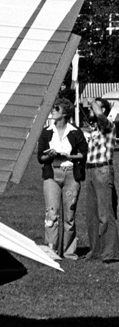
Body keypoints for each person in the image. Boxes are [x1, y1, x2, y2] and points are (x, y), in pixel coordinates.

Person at [36, 98, 87, 260]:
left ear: (65, 113)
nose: (53, 111)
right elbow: (40, 157)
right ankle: (51, 251)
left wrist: (69, 155)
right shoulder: (46, 132)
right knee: (52, 214)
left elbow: (84, 153)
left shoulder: (75, 132)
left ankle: (69, 251)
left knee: (69, 216)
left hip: (71, 174)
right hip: (52, 174)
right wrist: (48, 156)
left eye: (56, 108)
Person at [80, 97, 119, 261]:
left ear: (103, 110)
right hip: (90, 170)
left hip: (102, 170)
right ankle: (95, 251)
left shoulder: (108, 125)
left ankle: (111, 252)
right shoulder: (95, 129)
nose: (90, 109)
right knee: (92, 215)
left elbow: (98, 112)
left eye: (94, 107)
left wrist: (93, 102)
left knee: (105, 213)